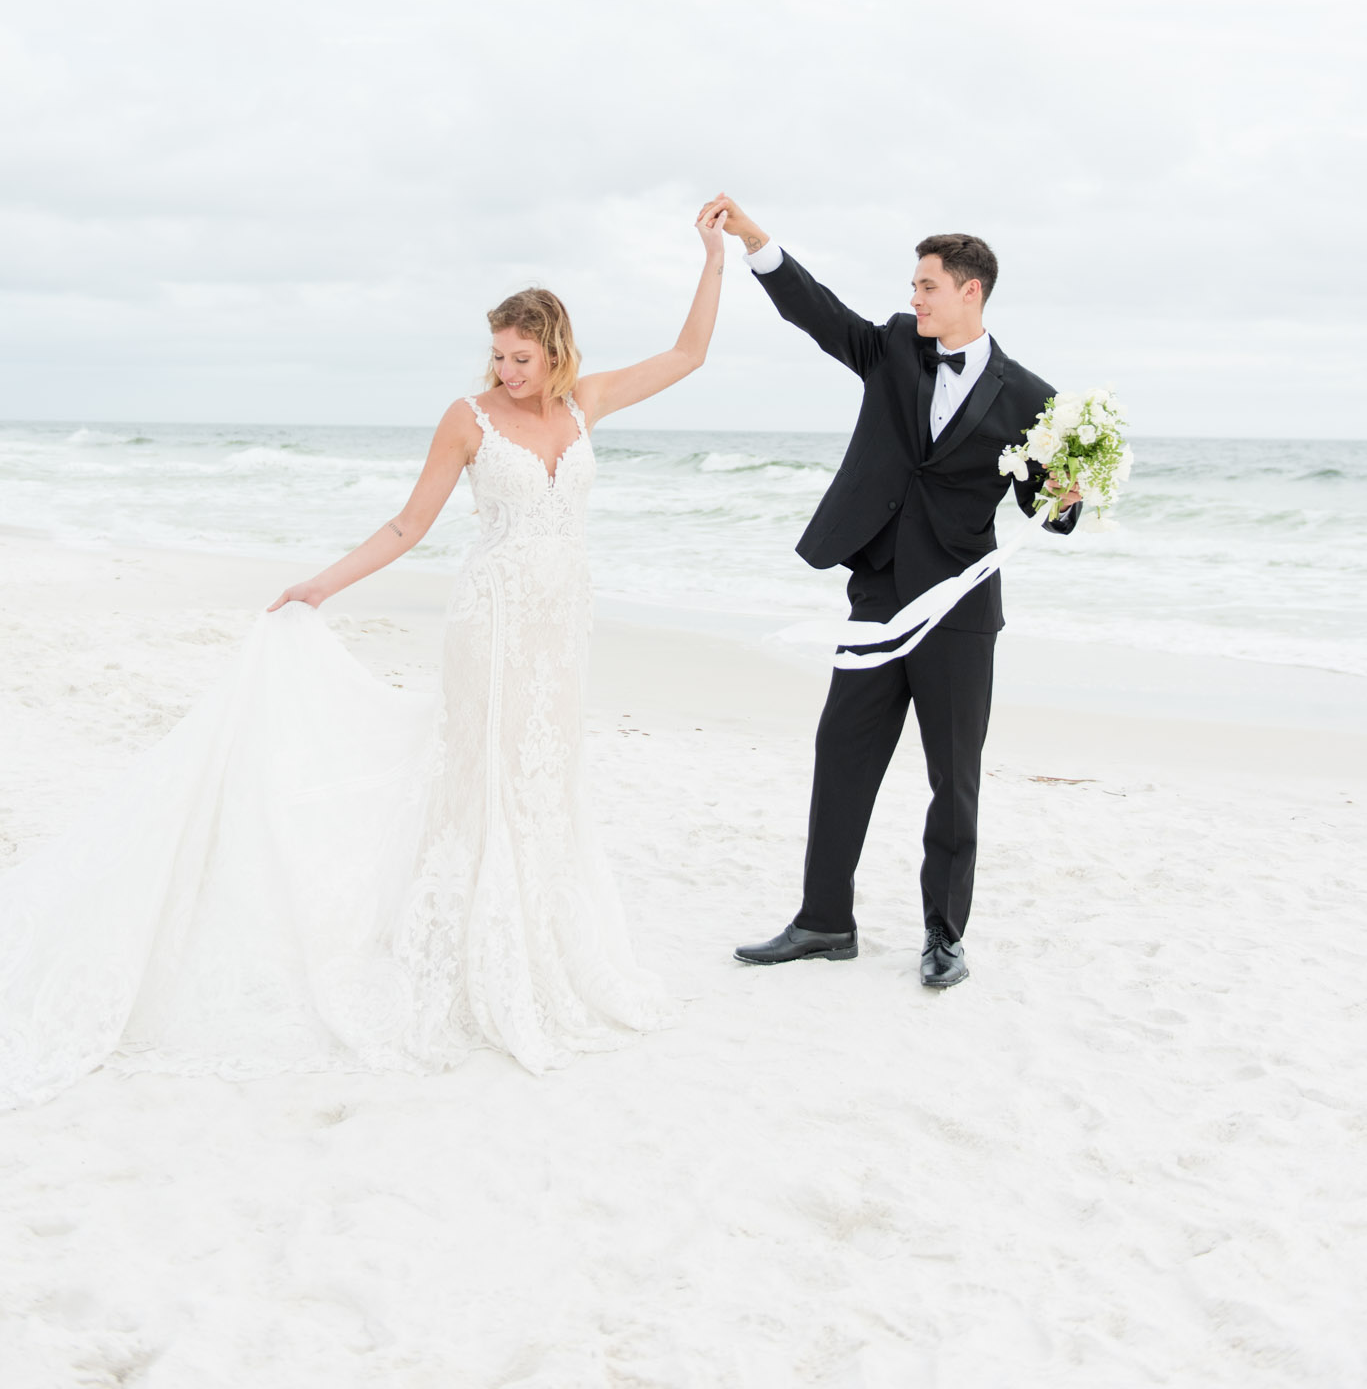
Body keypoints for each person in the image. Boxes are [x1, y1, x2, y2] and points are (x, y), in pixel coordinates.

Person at [0, 210, 728, 1107]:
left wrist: (712, 258)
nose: (505, 371)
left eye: (520, 358)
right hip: (490, 624)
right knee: (481, 780)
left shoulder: (589, 404)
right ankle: (462, 955)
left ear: (557, 354)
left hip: (559, 626)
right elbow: (407, 525)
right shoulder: (466, 421)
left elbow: (690, 353)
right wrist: (320, 585)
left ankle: (539, 944)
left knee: (544, 780)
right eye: (498, 355)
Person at [698, 194, 1080, 991]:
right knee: (841, 752)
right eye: (913, 286)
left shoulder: (1030, 398)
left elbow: (1039, 506)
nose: (914, 298)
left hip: (960, 611)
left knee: (953, 777)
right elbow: (820, 316)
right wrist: (755, 240)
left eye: (926, 286)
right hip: (876, 594)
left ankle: (944, 936)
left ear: (969, 290)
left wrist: (1067, 498)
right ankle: (823, 921)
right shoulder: (897, 347)